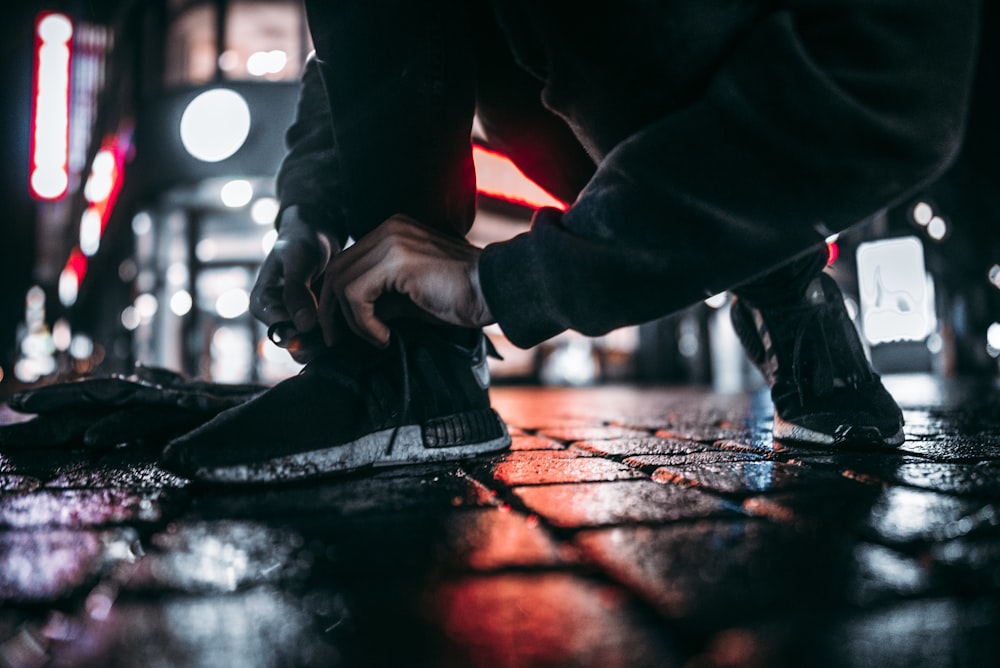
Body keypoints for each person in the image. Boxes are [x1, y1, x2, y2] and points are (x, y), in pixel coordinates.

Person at [161, 0, 981, 484]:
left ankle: (783, 286)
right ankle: (415, 367)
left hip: (693, 76)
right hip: (558, 91)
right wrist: (307, 216)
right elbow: (358, 42)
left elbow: (888, 84)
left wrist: (512, 282)